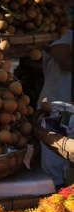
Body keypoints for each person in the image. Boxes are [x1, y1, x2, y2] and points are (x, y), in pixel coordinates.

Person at [38, 27, 72, 187]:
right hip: (57, 108)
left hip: (63, 107)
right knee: (55, 172)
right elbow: (65, 61)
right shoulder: (61, 32)